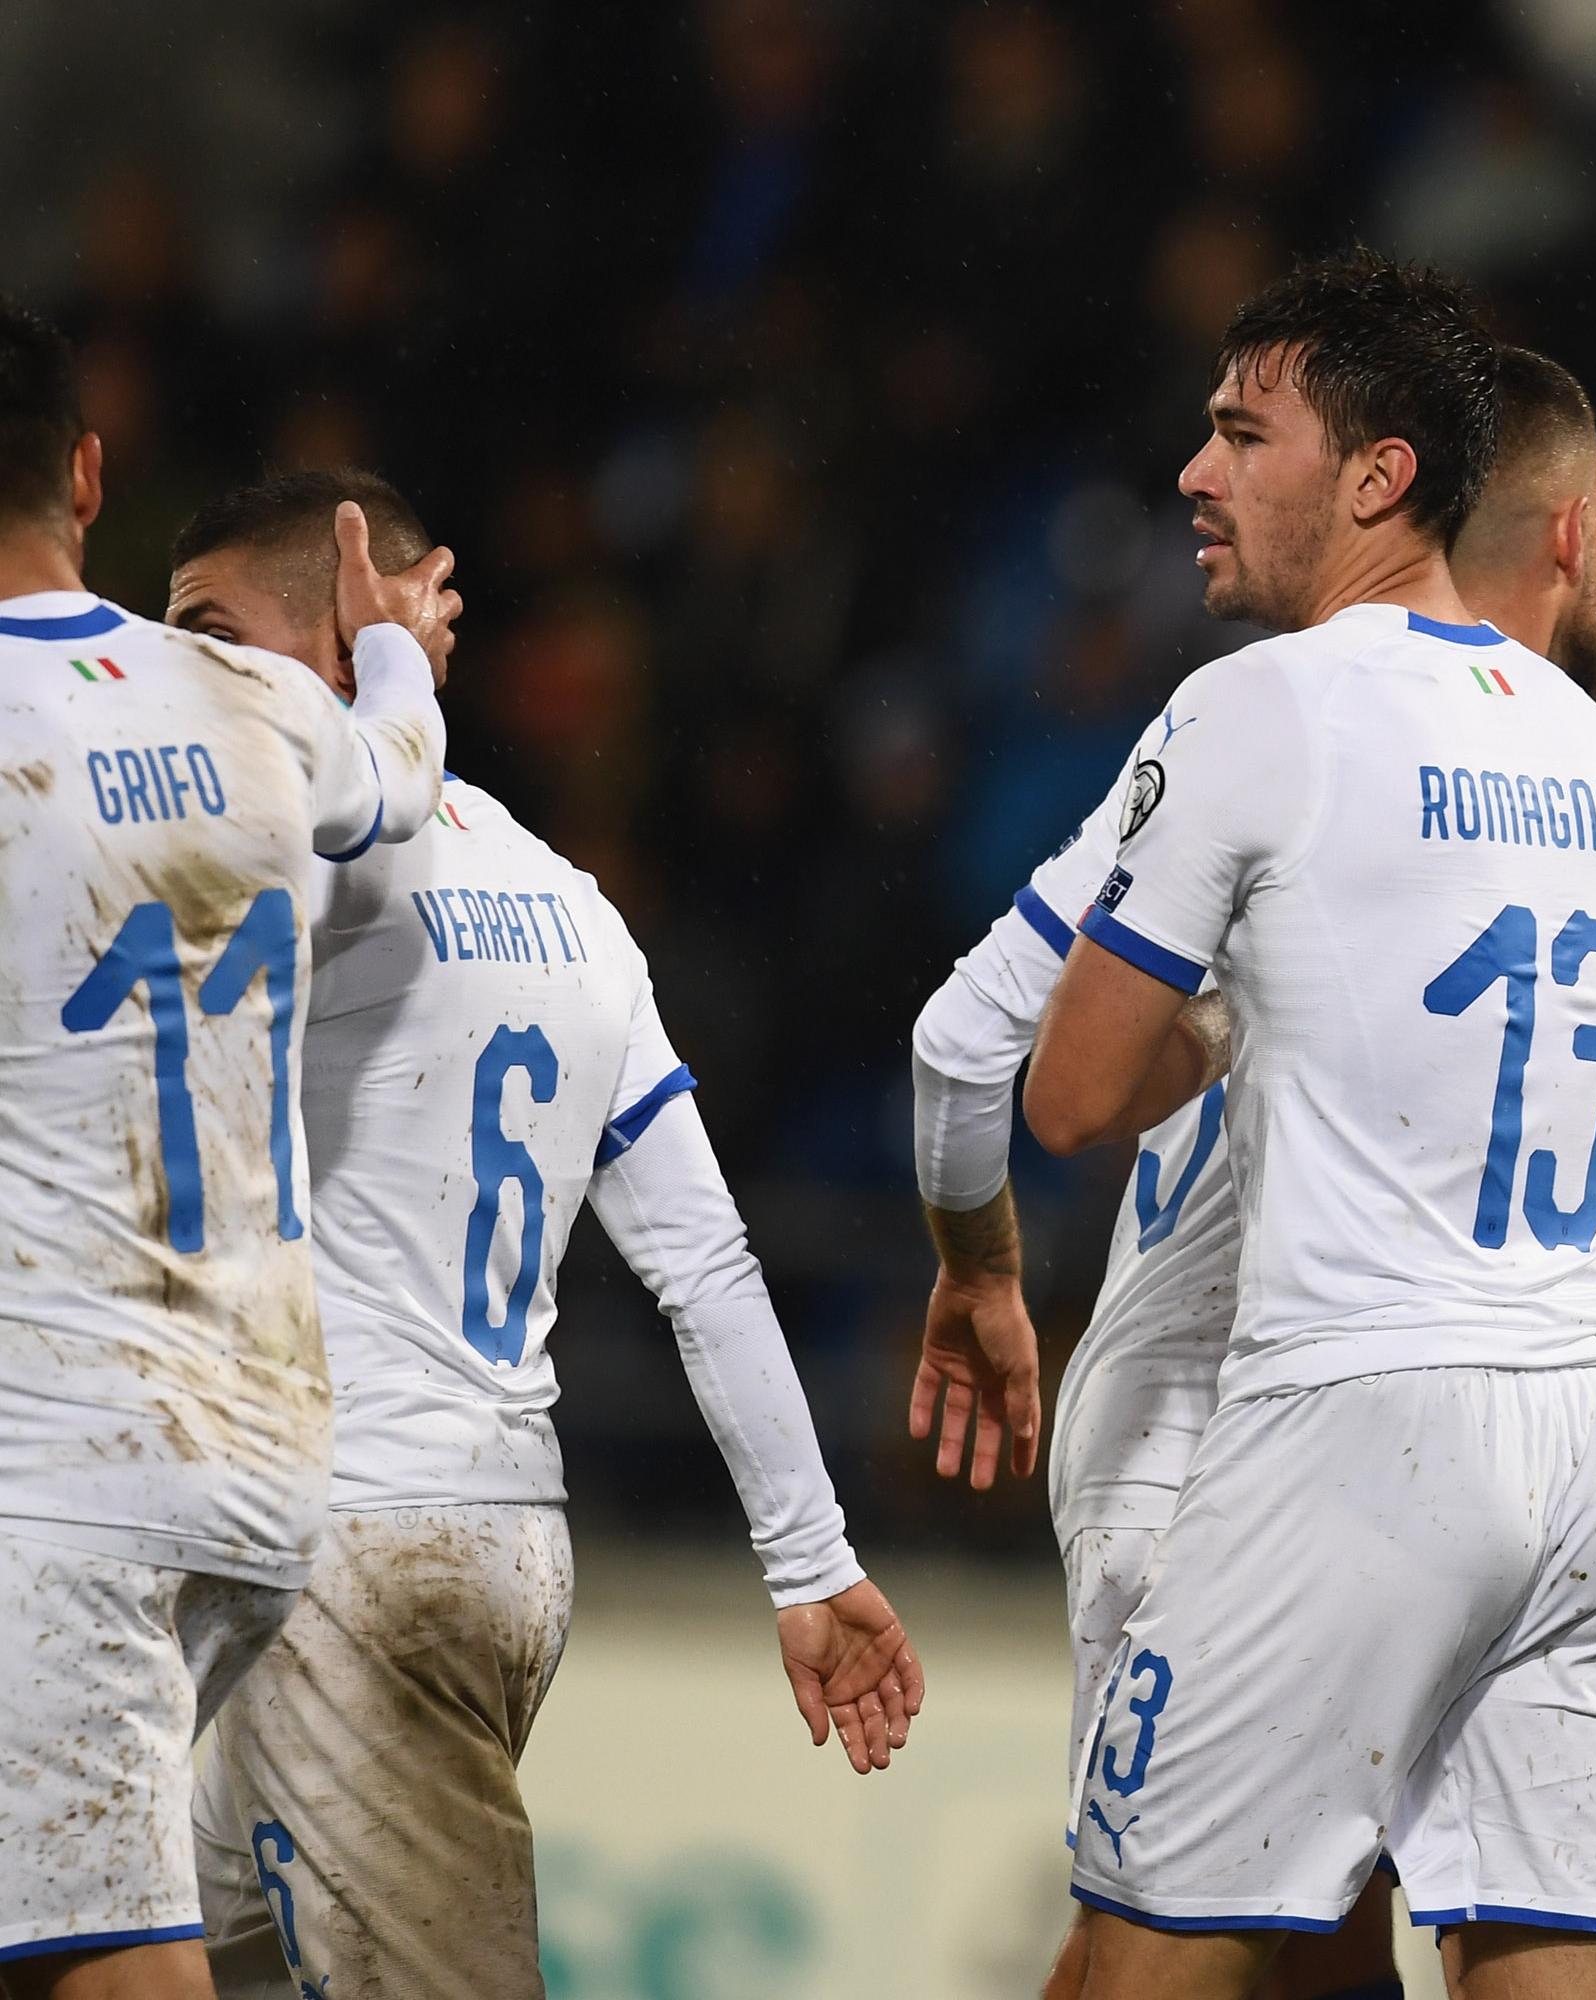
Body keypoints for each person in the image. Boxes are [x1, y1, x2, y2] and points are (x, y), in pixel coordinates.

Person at [911, 342, 1596, 2000]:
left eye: (1237, 435)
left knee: (1160, 1956)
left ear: (1381, 476)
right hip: (1578, 1427)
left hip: (1326, 1411)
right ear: (1571, 535)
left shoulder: (1260, 703)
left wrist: (1208, 1039)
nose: (1196, 474)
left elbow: (1052, 1092)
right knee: (1543, 1957)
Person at [161, 470, 921, 2000]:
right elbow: (703, 1266)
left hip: (354, 1551)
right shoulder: (574, 907)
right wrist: (810, 1553)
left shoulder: (287, 858)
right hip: (465, 1540)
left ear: (344, 626)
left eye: (206, 631)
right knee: (103, 1954)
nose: (169, 671)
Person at [0, 301, 450, 1997]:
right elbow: (398, 771)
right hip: (255, 1458)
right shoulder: (253, 694)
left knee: (108, 1968)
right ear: (91, 472)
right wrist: (387, 633)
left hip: (54, 1472)